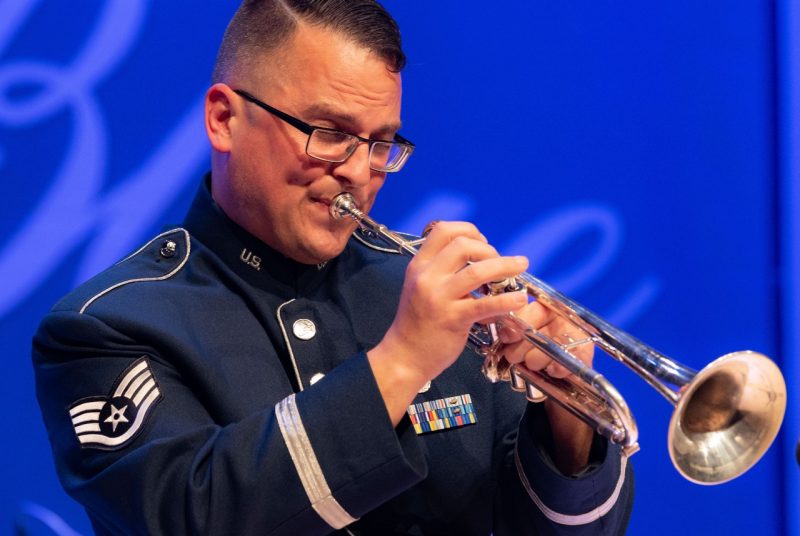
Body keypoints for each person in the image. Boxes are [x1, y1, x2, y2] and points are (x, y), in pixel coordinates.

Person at [32, 1, 634, 534]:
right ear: (224, 118)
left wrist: (568, 415)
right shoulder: (108, 327)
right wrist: (402, 360)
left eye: (380, 143)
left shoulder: (423, 289)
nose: (357, 170)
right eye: (329, 133)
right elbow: (195, 516)